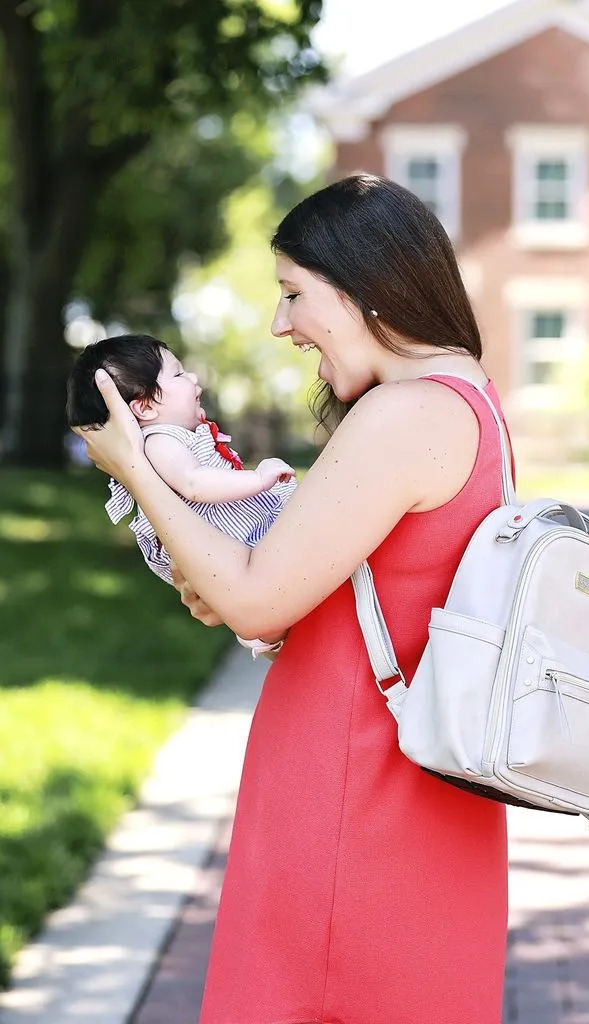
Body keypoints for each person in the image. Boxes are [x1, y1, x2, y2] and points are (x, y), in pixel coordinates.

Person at [74, 174, 510, 1024]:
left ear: (364, 287)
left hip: (350, 798)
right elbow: (327, 578)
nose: (279, 324)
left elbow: (254, 603)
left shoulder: (405, 414)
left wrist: (132, 466)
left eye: (292, 294)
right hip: (417, 800)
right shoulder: (469, 396)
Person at [67, 334, 296, 656]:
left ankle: (264, 630)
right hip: (232, 538)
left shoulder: (173, 438)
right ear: (144, 406)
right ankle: (262, 629)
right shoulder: (159, 441)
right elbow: (194, 483)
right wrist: (259, 479)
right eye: (177, 374)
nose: (193, 379)